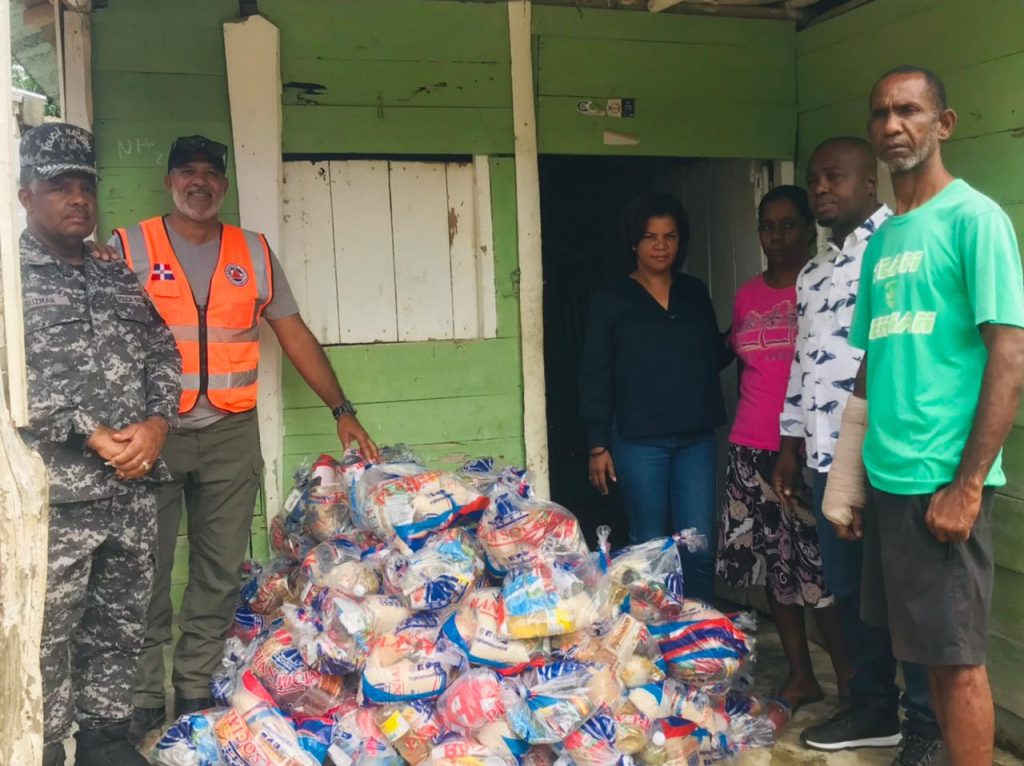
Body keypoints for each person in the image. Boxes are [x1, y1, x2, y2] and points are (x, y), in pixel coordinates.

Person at [103, 135, 381, 740]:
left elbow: (293, 332)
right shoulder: (129, 245)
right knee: (146, 569)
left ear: (223, 186)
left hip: (229, 434)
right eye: (187, 172)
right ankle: (144, 698)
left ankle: (195, 689)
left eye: (210, 174)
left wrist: (342, 408)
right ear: (171, 181)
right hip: (153, 434)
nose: (198, 183)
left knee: (220, 569)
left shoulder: (250, 252)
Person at [823, 66, 1024, 766]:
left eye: (909, 111)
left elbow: (1009, 357)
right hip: (890, 481)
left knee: (960, 662)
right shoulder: (884, 241)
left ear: (944, 124)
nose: (891, 125)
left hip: (943, 481)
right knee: (929, 659)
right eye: (880, 113)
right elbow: (873, 365)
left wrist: (967, 486)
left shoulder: (975, 220)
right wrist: (848, 480)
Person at [17, 123, 182, 766]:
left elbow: (162, 350)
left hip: (130, 489)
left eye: (86, 185)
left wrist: (158, 423)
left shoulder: (114, 277)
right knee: (48, 634)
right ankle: (50, 748)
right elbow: (12, 375)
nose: (78, 198)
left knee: (119, 627)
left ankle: (106, 745)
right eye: (60, 185)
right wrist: (85, 430)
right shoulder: (11, 279)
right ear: (26, 195)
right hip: (56, 494)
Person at [774, 137, 943, 764]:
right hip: (824, 457)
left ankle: (926, 725)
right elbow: (802, 366)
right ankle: (873, 709)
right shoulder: (815, 271)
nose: (820, 187)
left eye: (834, 177)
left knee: (904, 596)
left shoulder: (896, 248)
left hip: (888, 457)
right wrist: (791, 443)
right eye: (814, 177)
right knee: (851, 592)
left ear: (868, 183)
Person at [718, 185, 850, 718]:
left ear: (808, 228)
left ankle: (853, 684)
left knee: (820, 575)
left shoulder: (824, 285)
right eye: (768, 227)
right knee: (775, 568)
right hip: (750, 444)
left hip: (806, 450)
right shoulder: (748, 294)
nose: (777, 236)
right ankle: (801, 676)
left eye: (789, 225)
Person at [579, 193, 728, 600]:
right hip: (638, 441)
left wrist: (748, 335)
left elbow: (712, 355)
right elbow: (596, 373)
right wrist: (597, 444)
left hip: (694, 438)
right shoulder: (612, 301)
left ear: (681, 242)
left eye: (670, 237)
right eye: (650, 237)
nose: (660, 246)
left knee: (697, 544)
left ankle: (698, 631)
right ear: (634, 243)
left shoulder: (694, 293)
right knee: (649, 547)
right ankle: (655, 637)